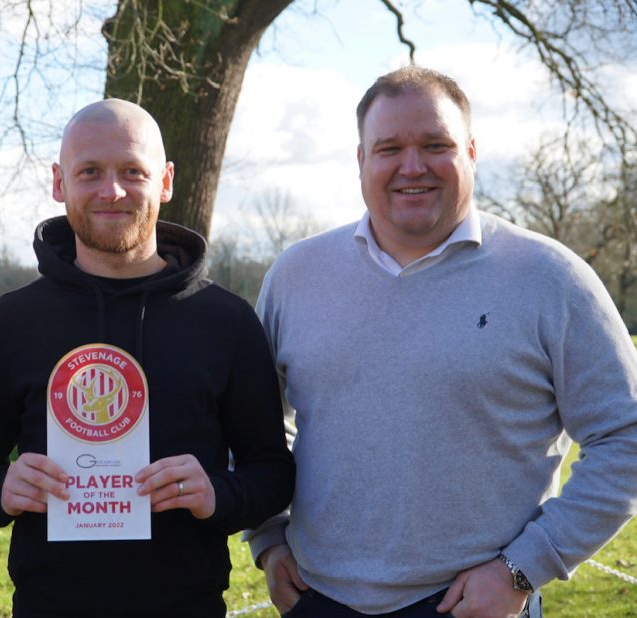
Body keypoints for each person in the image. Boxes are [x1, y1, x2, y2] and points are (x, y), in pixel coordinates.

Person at [246, 64, 637, 618]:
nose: (413, 166)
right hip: (316, 598)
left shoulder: (550, 278)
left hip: (474, 604)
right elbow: (253, 425)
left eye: (436, 145)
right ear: (360, 159)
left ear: (471, 152)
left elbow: (625, 436)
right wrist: (267, 537)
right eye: (389, 148)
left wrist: (525, 566)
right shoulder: (295, 275)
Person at [0, 98, 295, 617]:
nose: (112, 191)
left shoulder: (226, 321)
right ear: (59, 182)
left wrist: (217, 494)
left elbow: (272, 472)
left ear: (166, 181)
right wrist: (1, 488)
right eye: (90, 171)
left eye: (133, 171)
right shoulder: (13, 321)